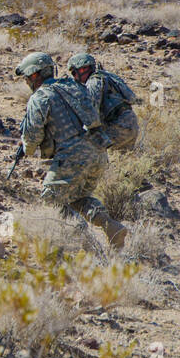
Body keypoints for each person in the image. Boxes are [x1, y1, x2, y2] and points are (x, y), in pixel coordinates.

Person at [15, 51, 127, 249]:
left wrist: (27, 148)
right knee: (77, 198)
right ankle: (112, 227)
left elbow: (32, 138)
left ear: (34, 75)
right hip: (99, 152)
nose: (26, 82)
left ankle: (85, 243)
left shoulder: (39, 97)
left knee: (51, 198)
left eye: (27, 78)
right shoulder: (74, 86)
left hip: (72, 157)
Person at [67, 52, 139, 151]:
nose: (74, 77)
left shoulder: (93, 82)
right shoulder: (108, 76)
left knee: (86, 150)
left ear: (83, 69)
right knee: (121, 158)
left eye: (74, 73)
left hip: (118, 128)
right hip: (131, 124)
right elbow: (132, 98)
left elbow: (91, 113)